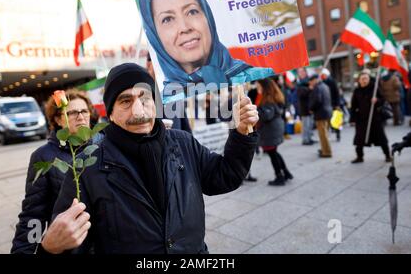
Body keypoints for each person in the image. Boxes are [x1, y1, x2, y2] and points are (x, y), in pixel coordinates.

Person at [51, 63, 259, 254]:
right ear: (110, 113)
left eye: (144, 98)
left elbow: (225, 176)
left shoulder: (183, 142)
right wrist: (49, 248)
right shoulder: (87, 167)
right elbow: (72, 244)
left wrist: (241, 133)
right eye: (125, 101)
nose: (139, 110)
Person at [138, 0, 274, 103]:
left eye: (192, 12)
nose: (185, 28)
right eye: (167, 19)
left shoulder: (259, 73)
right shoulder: (159, 104)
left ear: (208, 17)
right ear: (154, 35)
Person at [11, 89, 102, 254]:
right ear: (59, 120)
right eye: (72, 113)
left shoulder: (103, 145)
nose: (80, 117)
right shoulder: (44, 156)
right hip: (73, 247)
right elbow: (33, 214)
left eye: (84, 111)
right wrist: (25, 250)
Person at [256, 78, 293, 186]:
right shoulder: (272, 97)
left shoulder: (268, 99)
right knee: (274, 152)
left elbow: (266, 115)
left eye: (259, 86)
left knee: (272, 154)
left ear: (264, 88)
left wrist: (254, 110)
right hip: (274, 128)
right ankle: (286, 172)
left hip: (270, 131)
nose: (257, 88)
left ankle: (279, 176)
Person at [350, 71, 391, 163]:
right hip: (362, 119)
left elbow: (383, 100)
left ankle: (388, 155)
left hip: (375, 118)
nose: (364, 81)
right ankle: (359, 157)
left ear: (369, 79)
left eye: (366, 79)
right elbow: (353, 106)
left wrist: (377, 100)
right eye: (362, 79)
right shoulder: (357, 91)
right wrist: (352, 119)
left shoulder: (375, 88)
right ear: (359, 80)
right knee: (359, 139)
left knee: (381, 138)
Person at [308, 74, 333, 158]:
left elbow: (317, 100)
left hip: (321, 113)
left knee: (323, 134)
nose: (310, 83)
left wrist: (311, 108)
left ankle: (326, 152)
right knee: (324, 133)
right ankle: (324, 149)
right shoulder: (325, 86)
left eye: (311, 81)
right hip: (327, 112)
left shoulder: (317, 87)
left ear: (314, 80)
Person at [321, 68, 341, 141]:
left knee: (336, 120)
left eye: (324, 75)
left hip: (334, 104)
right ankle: (329, 133)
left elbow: (337, 94)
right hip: (326, 104)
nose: (323, 76)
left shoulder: (332, 82)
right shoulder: (322, 82)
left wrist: (337, 104)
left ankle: (338, 134)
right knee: (328, 120)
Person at [296, 67, 315, 145]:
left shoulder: (308, 80)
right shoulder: (299, 83)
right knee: (305, 125)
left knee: (310, 124)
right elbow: (301, 94)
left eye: (302, 71)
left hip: (311, 106)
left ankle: (309, 138)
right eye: (299, 72)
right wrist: (309, 89)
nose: (301, 73)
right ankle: (305, 140)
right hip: (304, 107)